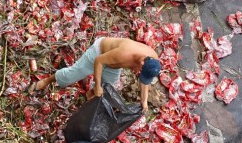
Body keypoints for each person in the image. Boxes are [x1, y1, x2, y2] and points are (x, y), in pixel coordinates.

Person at [29, 36, 161, 111]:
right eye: (139, 71)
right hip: (99, 54)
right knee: (71, 75)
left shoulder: (152, 60)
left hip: (114, 65)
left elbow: (145, 82)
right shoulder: (125, 54)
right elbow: (99, 61)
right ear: (142, 63)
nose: (137, 73)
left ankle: (89, 95)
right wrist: (97, 85)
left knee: (107, 87)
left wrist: (144, 102)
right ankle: (46, 81)